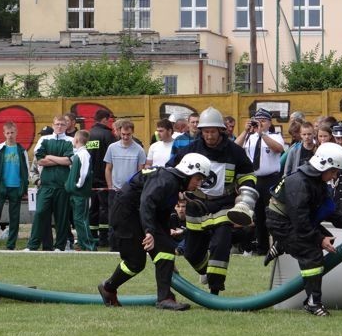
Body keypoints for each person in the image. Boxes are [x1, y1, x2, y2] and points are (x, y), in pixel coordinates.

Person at [97, 153, 212, 310]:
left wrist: (166, 254)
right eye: (198, 179)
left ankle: (164, 299)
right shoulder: (167, 180)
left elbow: (160, 213)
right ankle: (108, 288)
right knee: (135, 262)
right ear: (188, 173)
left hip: (140, 213)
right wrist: (149, 231)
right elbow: (146, 202)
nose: (198, 184)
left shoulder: (174, 183)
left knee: (165, 250)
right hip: (126, 213)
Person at [265, 142, 342, 316]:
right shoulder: (299, 183)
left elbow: (328, 209)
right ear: (324, 165)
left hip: (293, 220)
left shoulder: (316, 181)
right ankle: (313, 302)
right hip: (281, 222)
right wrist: (318, 239)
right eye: (334, 171)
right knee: (312, 254)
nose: (335, 176)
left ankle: (283, 245)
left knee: (327, 239)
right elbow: (300, 221)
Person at [169, 106, 257, 295]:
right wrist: (178, 190)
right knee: (191, 252)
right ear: (200, 131)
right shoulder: (190, 150)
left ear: (221, 131)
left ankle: (215, 289)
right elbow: (172, 170)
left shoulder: (234, 151)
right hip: (196, 205)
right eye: (206, 132)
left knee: (220, 245)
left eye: (212, 132)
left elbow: (248, 175)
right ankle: (206, 272)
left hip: (224, 204)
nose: (209, 136)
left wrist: (245, 197)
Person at [235, 108, 285, 256]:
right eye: (258, 121)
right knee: (258, 215)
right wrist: (245, 131)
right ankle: (262, 248)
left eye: (264, 121)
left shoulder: (274, 136)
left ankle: (277, 247)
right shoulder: (249, 138)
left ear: (269, 123)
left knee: (273, 214)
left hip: (271, 178)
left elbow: (278, 149)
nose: (260, 123)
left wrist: (262, 134)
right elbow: (235, 148)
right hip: (255, 179)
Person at [26, 116, 74, 251]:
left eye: (62, 124)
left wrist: (50, 157)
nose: (59, 126)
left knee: (62, 217)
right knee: (40, 213)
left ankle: (60, 246)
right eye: (57, 124)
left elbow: (69, 160)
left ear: (66, 126)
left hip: (62, 185)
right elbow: (40, 160)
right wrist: (60, 160)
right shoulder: (44, 139)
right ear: (53, 125)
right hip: (45, 185)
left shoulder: (70, 141)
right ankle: (32, 245)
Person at [104, 119, 146, 248]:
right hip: (115, 191)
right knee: (113, 219)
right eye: (123, 134)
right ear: (119, 132)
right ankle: (114, 246)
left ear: (132, 132)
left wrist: (137, 188)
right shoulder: (112, 148)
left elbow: (141, 172)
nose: (125, 137)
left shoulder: (139, 150)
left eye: (128, 134)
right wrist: (110, 186)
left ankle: (131, 245)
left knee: (131, 219)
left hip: (131, 192)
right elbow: (108, 168)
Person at [0, 121, 30, 251]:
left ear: (16, 133)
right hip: (1, 185)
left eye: (12, 132)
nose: (10, 135)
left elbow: (26, 168)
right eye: (7, 133)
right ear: (3, 133)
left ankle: (11, 244)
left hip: (16, 186)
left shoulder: (21, 150)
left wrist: (25, 184)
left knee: (14, 217)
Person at [87, 109, 116, 247]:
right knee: (105, 208)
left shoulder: (88, 134)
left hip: (90, 179)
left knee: (93, 208)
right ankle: (104, 238)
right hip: (105, 178)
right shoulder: (108, 135)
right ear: (105, 119)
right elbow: (112, 157)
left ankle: (92, 236)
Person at [66, 130, 96, 251]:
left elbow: (84, 172)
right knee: (78, 220)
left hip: (80, 193)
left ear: (77, 140)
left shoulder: (83, 154)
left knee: (81, 219)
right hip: (76, 193)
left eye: (74, 138)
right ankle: (83, 244)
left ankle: (89, 245)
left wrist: (78, 184)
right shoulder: (79, 153)